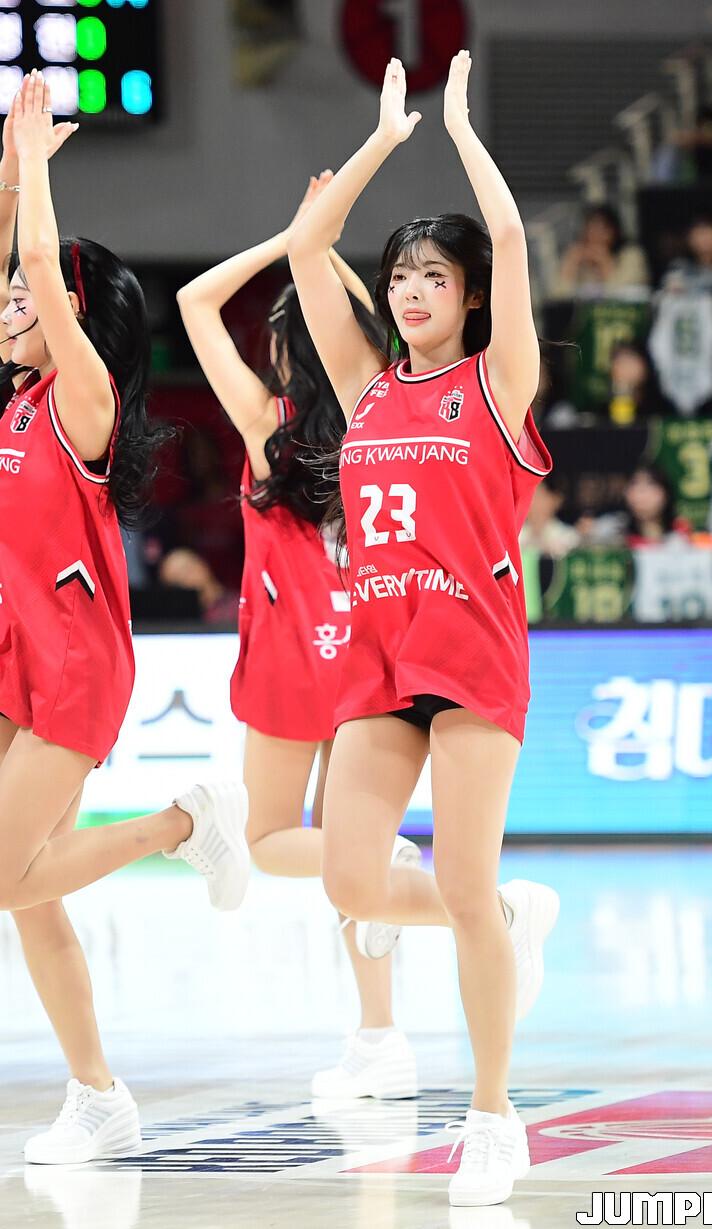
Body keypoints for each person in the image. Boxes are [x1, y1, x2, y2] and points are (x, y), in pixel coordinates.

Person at [287, 52, 560, 1208]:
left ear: (470, 297)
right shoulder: (366, 386)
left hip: (475, 651)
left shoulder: (495, 384)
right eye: (400, 275)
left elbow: (514, 234)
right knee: (353, 881)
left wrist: (459, 130)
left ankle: (493, 1116)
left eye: (433, 276)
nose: (409, 292)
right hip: (379, 653)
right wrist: (386, 141)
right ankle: (497, 911)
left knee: (458, 882)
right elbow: (309, 248)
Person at [0, 72, 249, 1165]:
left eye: (31, 295)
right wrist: (9, 176)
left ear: (74, 319)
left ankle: (182, 826)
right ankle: (98, 1095)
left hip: (73, 664)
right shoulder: (16, 398)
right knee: (26, 891)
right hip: (15, 654)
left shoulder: (81, 400)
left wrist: (36, 172)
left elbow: (46, 285)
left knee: (2, 875)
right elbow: (18, 274)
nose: (13, 303)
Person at [177, 175, 421, 1101]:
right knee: (352, 851)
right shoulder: (383, 415)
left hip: (290, 655)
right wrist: (323, 250)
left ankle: (382, 904)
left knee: (269, 835)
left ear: (284, 346)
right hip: (369, 652)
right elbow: (368, 325)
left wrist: (291, 240)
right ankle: (378, 1035)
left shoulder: (262, 427)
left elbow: (195, 300)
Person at [553, 204, 649, 299]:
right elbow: (558, 298)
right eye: (590, 229)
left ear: (614, 231)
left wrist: (605, 263)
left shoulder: (631, 255)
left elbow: (624, 296)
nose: (595, 235)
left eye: (602, 229)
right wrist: (570, 266)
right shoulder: (579, 257)